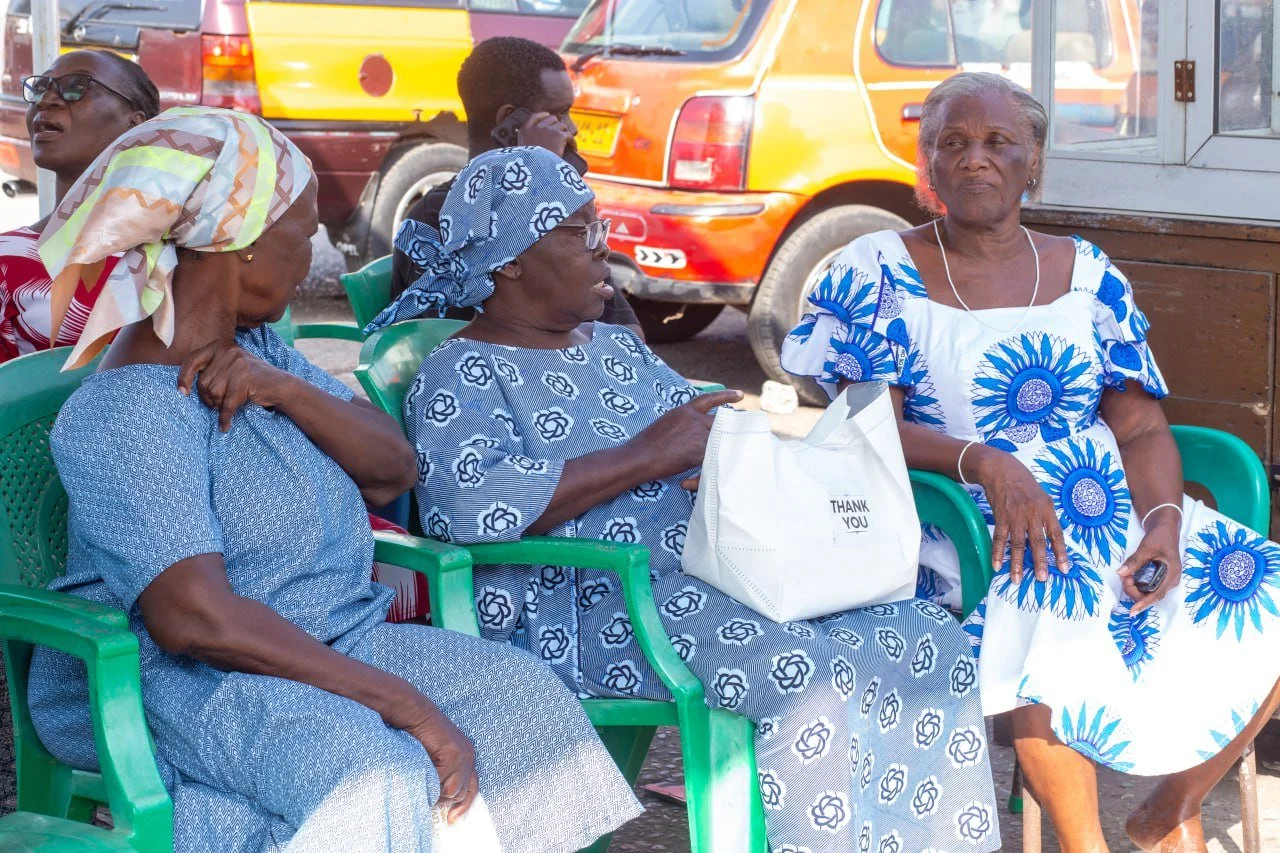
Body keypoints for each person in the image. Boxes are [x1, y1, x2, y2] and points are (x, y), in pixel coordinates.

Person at [26, 108, 641, 852]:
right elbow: (195, 621)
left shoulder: (256, 352)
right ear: (241, 245)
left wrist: (280, 388)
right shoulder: (130, 409)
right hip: (189, 684)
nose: (313, 249)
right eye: (304, 228)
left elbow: (394, 468)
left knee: (529, 705)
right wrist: (408, 706)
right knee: (371, 773)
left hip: (334, 637)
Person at [373, 145, 1000, 853]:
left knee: (927, 637)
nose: (600, 249)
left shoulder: (615, 348)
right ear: (510, 256)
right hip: (593, 603)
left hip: (716, 576)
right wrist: (647, 455)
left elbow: (696, 432)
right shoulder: (461, 371)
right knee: (806, 679)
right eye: (577, 233)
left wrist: (727, 455)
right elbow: (468, 505)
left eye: (599, 226)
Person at [781, 71, 1280, 851]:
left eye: (997, 142)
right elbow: (864, 422)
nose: (975, 159)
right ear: (929, 166)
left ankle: (1168, 809)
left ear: (1033, 163)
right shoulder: (875, 268)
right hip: (953, 519)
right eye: (954, 144)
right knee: (1051, 596)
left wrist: (1164, 524)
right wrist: (987, 463)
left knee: (1266, 589)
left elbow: (1142, 426)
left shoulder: (1087, 273)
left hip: (1102, 504)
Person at [389, 36, 642, 337]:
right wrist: (532, 172)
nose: (572, 128)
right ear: (511, 123)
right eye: (559, 113)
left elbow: (629, 334)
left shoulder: (559, 211)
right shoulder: (438, 217)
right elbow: (452, 348)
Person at [0, 50, 160, 363]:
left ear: (135, 125)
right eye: (40, 87)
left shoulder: (187, 247)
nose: (46, 100)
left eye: (76, 87)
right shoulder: (9, 259)